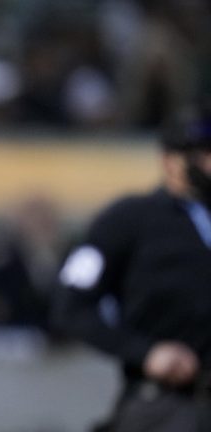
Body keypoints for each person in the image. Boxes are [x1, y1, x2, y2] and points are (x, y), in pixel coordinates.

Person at [51, 102, 211, 432]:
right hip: (169, 404)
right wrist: (145, 352)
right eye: (203, 153)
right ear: (170, 161)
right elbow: (71, 304)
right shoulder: (129, 220)